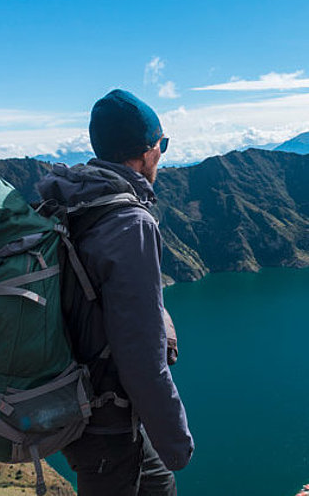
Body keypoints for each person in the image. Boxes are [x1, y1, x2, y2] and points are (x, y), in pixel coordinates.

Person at [36, 89, 194, 496]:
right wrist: (176, 441)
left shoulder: (71, 198)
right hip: (104, 422)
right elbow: (141, 352)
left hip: (80, 399)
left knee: (160, 486)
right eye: (162, 144)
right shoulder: (129, 224)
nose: (162, 154)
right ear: (145, 152)